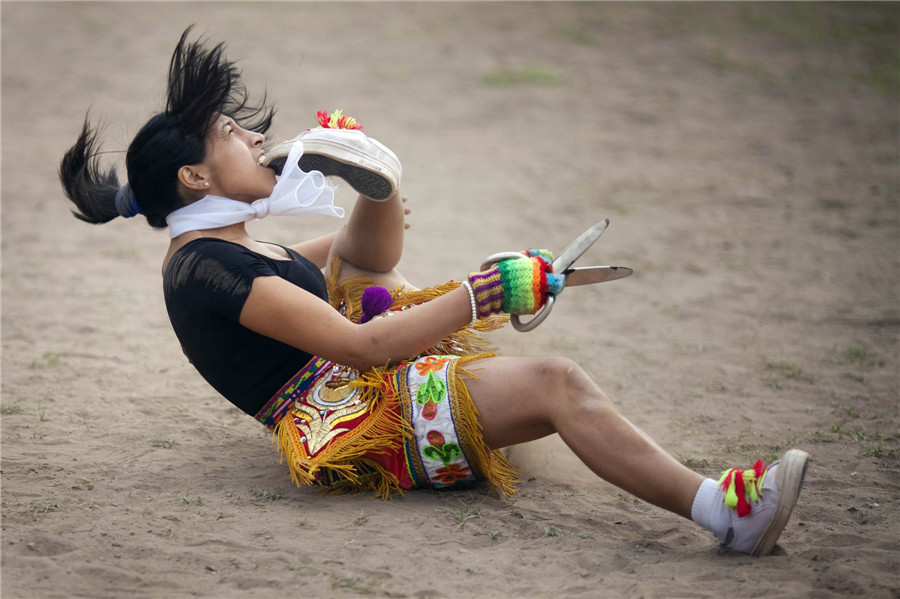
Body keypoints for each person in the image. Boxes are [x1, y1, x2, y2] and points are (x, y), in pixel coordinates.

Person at [59, 27, 809, 557]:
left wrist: (373, 180)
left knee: (378, 282)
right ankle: (727, 513)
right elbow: (361, 344)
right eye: (232, 133)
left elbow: (360, 255)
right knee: (556, 380)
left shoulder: (217, 251)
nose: (257, 140)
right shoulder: (211, 270)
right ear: (194, 177)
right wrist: (484, 291)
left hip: (353, 388)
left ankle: (706, 498)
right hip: (351, 422)